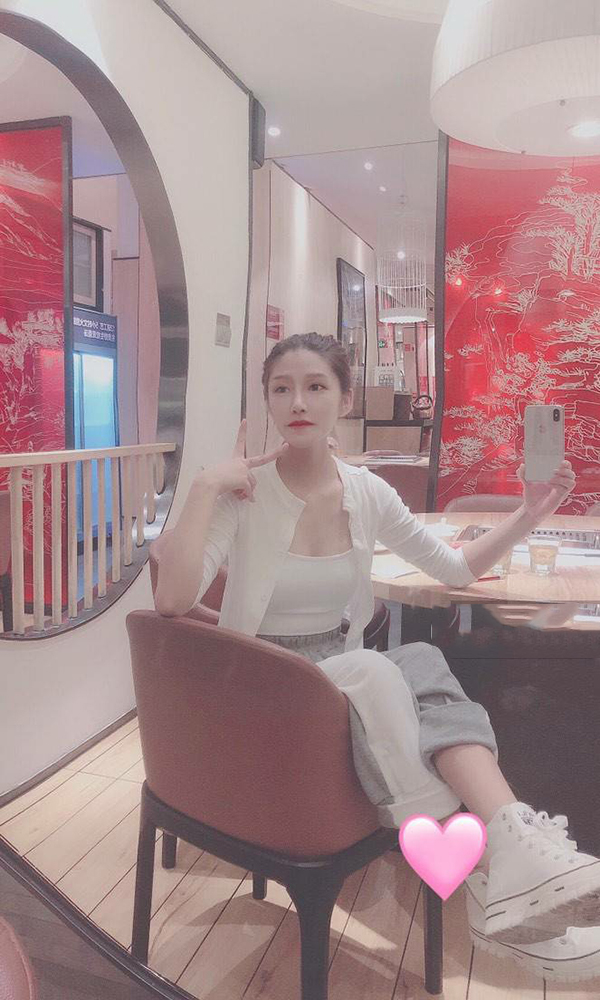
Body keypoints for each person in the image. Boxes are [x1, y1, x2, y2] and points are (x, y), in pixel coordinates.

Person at [153, 332, 600, 981]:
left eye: (316, 386)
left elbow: (452, 567)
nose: (297, 401)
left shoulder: (367, 493)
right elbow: (172, 600)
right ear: (268, 401)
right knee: (377, 666)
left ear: (345, 399)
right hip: (263, 686)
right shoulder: (243, 495)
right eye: (282, 388)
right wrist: (203, 487)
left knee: (410, 660)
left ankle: (506, 853)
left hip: (337, 682)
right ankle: (502, 869)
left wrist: (530, 514)